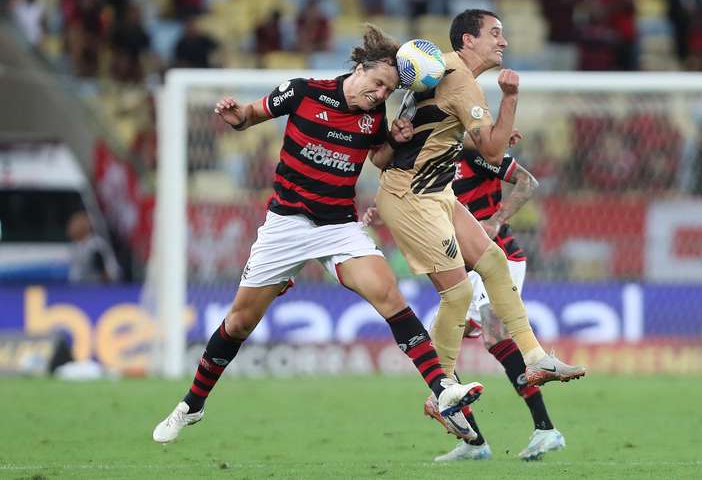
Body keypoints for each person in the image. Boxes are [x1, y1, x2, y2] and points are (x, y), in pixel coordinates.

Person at [152, 26, 484, 445]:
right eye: (378, 84)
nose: (381, 94)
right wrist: (236, 116)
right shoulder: (303, 91)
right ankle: (192, 406)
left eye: (387, 90)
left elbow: (378, 158)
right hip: (286, 225)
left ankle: (442, 389)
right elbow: (250, 116)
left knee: (391, 297)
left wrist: (395, 141)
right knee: (238, 323)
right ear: (359, 70)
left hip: (339, 227)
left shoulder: (373, 117)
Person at [375, 9, 584, 397]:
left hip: (434, 191)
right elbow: (492, 152)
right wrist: (510, 100)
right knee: (458, 294)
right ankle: (443, 388)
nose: (503, 42)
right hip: (412, 195)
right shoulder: (462, 82)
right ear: (468, 40)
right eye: (494, 33)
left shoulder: (439, 71)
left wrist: (488, 133)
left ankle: (535, 357)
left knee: (493, 262)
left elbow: (426, 136)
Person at [363, 134, 566, 461]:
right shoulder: (430, 166)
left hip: (500, 258)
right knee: (438, 345)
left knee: (493, 332)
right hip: (464, 267)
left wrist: (497, 221)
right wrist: (383, 210)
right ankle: (475, 443)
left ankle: (545, 429)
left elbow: (527, 182)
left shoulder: (474, 156)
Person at [67, 211, 121, 284]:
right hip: (77, 286)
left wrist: (104, 276)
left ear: (83, 226)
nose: (71, 228)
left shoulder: (96, 244)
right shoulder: (75, 245)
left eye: (74, 225)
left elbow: (107, 270)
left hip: (95, 286)